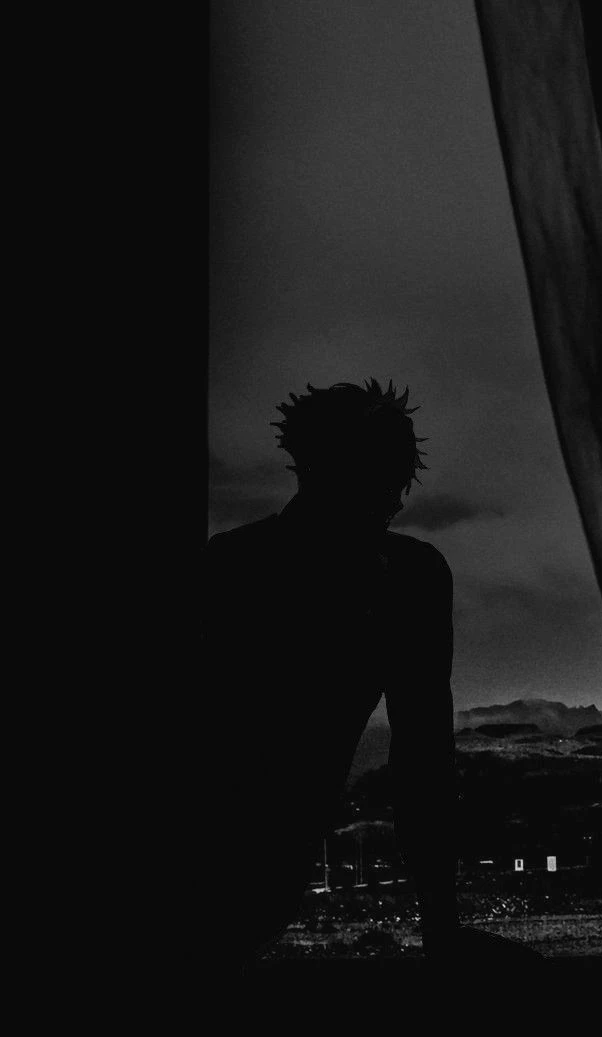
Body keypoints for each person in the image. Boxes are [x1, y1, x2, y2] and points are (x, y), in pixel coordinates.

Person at [205, 378, 542, 965]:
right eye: (387, 480)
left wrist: (442, 928)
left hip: (254, 874)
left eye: (397, 481)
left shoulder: (233, 564)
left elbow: (423, 758)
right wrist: (441, 927)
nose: (396, 501)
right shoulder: (405, 580)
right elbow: (422, 758)